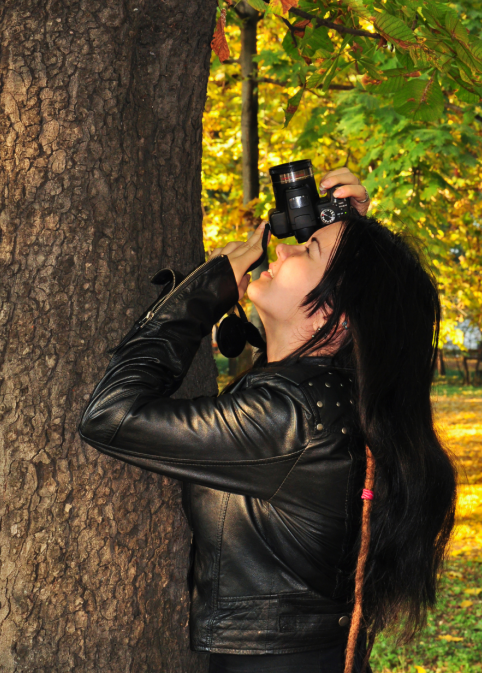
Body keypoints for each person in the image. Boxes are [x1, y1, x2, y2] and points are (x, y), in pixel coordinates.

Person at [78, 167, 457, 673]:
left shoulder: (291, 414)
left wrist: (204, 292)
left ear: (335, 316)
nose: (283, 249)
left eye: (309, 250)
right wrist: (352, 235)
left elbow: (110, 415)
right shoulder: (324, 398)